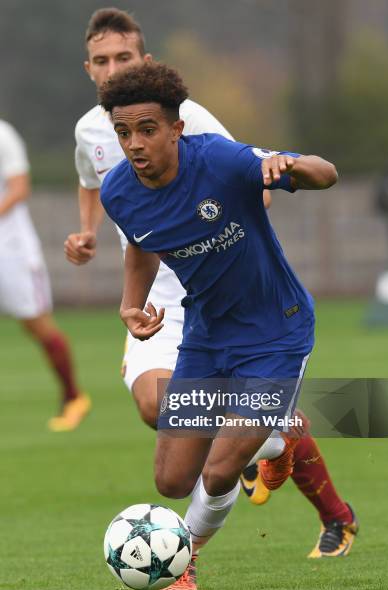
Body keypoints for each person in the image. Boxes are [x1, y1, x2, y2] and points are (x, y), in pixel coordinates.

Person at [64, 7, 358, 562]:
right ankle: (272, 427)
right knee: (172, 480)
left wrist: (284, 166)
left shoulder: (218, 156)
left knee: (221, 466)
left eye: (147, 130)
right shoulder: (119, 190)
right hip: (205, 330)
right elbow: (141, 245)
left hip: (275, 328)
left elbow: (325, 173)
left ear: (177, 127)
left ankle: (184, 561)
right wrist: (131, 305)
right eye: (124, 132)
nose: (134, 143)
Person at [0, 119, 90, 431]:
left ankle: (73, 397)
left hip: (11, 252)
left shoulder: (3, 134)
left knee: (37, 325)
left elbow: (19, 188)